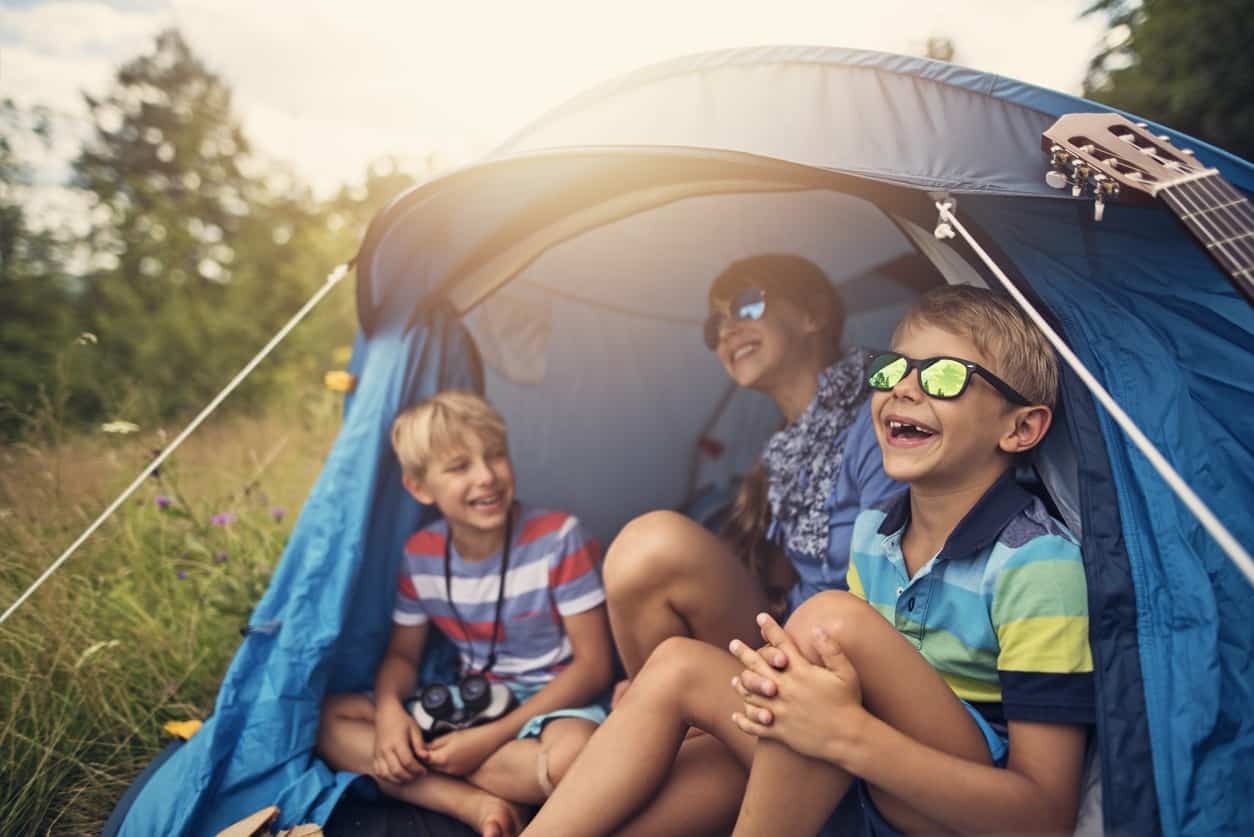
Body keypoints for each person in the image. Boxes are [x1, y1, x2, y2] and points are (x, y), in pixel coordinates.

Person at [521, 285, 1093, 836]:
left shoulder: (1037, 565)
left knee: (828, 621)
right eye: (892, 370)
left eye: (944, 376)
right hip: (846, 774)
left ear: (1021, 428)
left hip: (936, 802)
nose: (904, 390)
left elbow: (1042, 819)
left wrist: (847, 735)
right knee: (675, 666)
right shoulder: (875, 532)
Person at [598, 254, 900, 833]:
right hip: (783, 649)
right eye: (714, 327)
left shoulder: (883, 416)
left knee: (652, 544)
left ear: (812, 316)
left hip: (854, 675)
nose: (727, 331)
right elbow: (780, 585)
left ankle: (673, 730)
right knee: (648, 553)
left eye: (747, 305)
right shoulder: (778, 455)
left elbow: (902, 581)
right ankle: (668, 722)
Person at [317, 391, 614, 837]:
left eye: (495, 456)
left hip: (553, 704)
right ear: (419, 487)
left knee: (579, 758)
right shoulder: (421, 555)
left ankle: (435, 768)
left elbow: (594, 668)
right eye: (459, 467)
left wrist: (488, 741)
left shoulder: (559, 539)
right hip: (470, 705)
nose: (486, 477)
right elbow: (402, 657)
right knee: (331, 720)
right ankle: (474, 803)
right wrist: (392, 715)